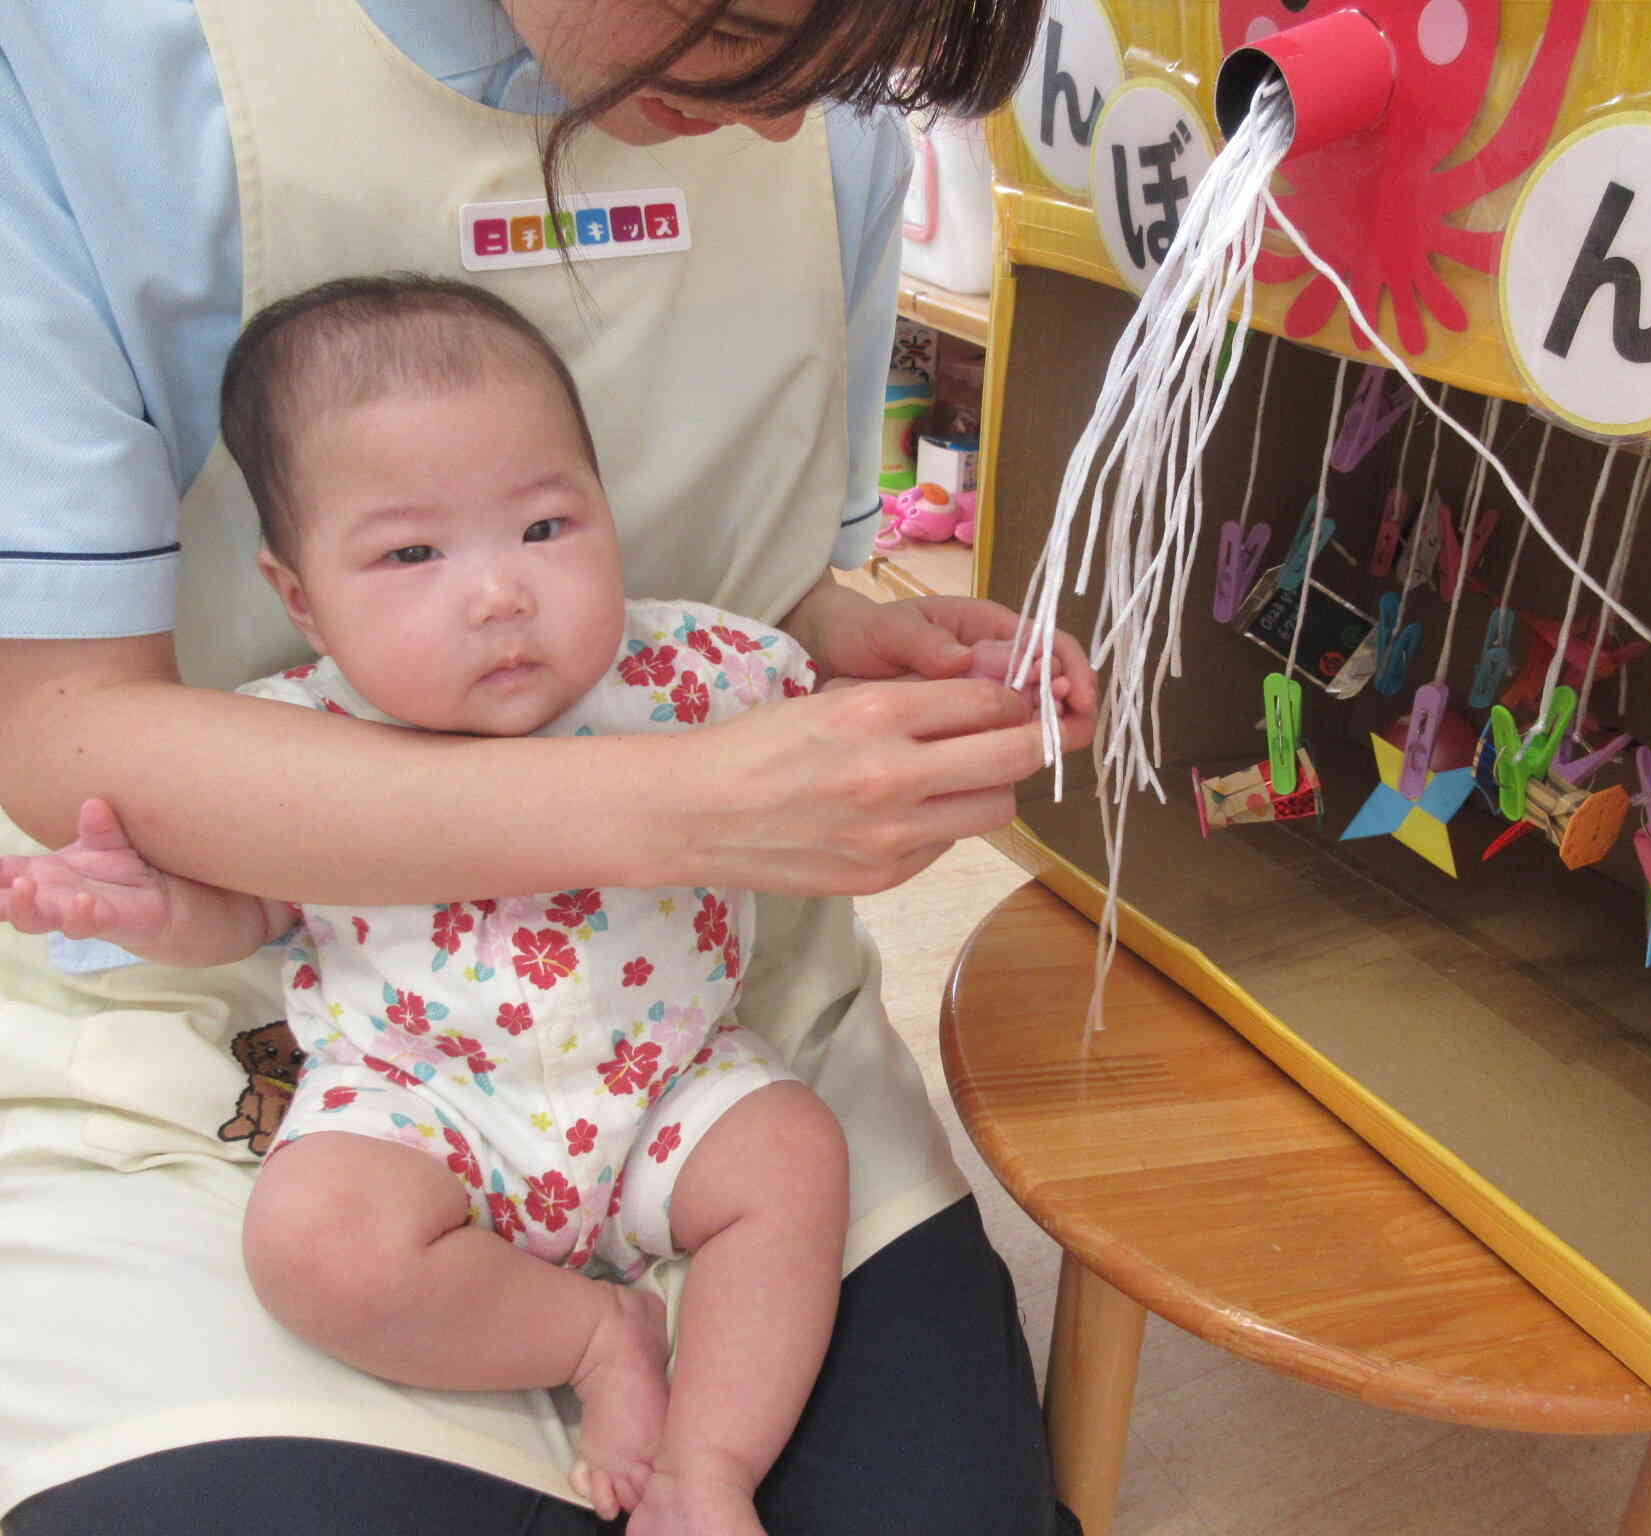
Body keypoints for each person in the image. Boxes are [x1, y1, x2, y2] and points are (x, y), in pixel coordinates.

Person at [0, 4, 1096, 1533]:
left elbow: (781, 589)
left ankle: (692, 1454)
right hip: (306, 1074)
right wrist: (694, 805)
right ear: (299, 593)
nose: (789, 124)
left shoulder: (823, 140)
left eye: (847, 70)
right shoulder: (85, 65)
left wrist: (901, 668)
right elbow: (71, 733)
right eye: (765, 27)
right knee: (313, 1283)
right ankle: (590, 1336)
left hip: (695, 1048)